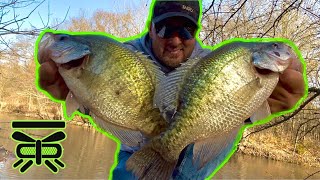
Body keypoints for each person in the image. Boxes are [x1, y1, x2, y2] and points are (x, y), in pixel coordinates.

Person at [38, 0, 305, 179]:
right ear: (152, 28)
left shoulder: (212, 63)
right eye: (166, 28)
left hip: (197, 157)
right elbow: (103, 97)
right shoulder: (125, 55)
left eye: (187, 30)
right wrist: (85, 98)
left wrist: (253, 111)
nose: (176, 39)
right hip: (137, 147)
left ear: (196, 32)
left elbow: (229, 108)